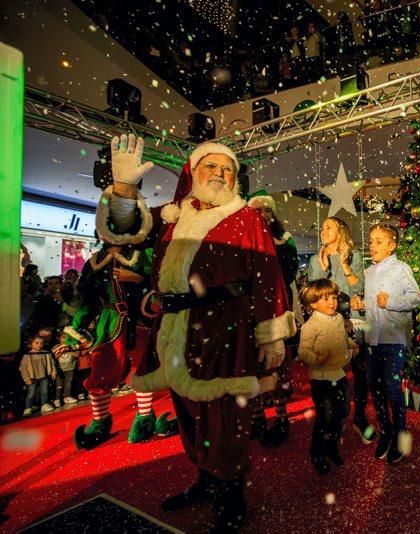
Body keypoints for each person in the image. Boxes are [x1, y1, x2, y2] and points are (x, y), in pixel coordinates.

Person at [98, 134, 295, 532]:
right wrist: (122, 189)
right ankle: (206, 480)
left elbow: (268, 276)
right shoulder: (173, 215)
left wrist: (272, 335)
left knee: (225, 418)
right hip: (174, 330)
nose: (221, 174)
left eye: (228, 169)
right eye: (212, 166)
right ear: (193, 172)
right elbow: (121, 230)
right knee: (188, 413)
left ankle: (231, 494)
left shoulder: (247, 218)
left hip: (225, 329)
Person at [69, 241, 177, 449]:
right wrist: (77, 329)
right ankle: (100, 422)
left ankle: (145, 418)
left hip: (140, 318)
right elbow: (87, 299)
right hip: (110, 322)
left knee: (142, 370)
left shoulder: (143, 254)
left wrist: (139, 280)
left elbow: (161, 283)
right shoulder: (96, 261)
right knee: (101, 370)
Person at [350, 224, 420, 463]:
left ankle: (401, 434)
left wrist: (391, 301)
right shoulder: (369, 273)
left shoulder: (401, 268)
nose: (373, 245)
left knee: (392, 389)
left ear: (392, 245)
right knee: (375, 387)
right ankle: (386, 430)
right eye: (371, 240)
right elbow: (371, 307)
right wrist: (361, 305)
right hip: (373, 340)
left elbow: (415, 297)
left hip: (393, 340)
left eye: (379, 241)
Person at [307, 217, 373, 444]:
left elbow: (359, 287)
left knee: (360, 370)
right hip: (328, 323)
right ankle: (334, 417)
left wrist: (344, 265)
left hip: (353, 320)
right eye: (322, 227)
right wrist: (323, 271)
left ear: (340, 232)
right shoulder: (317, 260)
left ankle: (360, 416)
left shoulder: (352, 257)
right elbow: (312, 295)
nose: (323, 231)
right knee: (330, 370)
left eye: (329, 227)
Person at [247, 191, 302, 447]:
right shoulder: (242, 240)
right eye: (256, 211)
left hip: (278, 305)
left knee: (280, 363)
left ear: (272, 213)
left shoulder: (284, 242)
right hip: (250, 309)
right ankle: (257, 417)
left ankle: (281, 417)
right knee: (254, 364)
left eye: (266, 210)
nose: (261, 215)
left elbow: (287, 275)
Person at [297, 279, 358, 475]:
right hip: (321, 378)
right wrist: (317, 358)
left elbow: (341, 337)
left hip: (339, 374)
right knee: (325, 416)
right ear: (313, 304)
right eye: (326, 299)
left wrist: (351, 344)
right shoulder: (311, 326)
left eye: (333, 297)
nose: (332, 302)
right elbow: (303, 351)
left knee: (341, 411)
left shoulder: (338, 318)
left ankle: (331, 446)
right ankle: (318, 453)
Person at [20, 335, 56, 416]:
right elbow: (23, 368)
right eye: (36, 343)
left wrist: (53, 371)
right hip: (33, 378)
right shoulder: (27, 356)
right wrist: (26, 378)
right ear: (30, 344)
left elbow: (51, 362)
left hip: (44, 377)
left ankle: (44, 404)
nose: (39, 345)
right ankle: (28, 407)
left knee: (45, 391)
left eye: (41, 343)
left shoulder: (45, 353)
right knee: (31, 393)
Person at [51, 328, 81, 406]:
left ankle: (67, 396)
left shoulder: (72, 345)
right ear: (59, 338)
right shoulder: (56, 347)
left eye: (67, 337)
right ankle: (57, 399)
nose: (66, 339)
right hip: (60, 369)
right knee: (59, 384)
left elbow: (77, 354)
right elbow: (54, 357)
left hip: (70, 368)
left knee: (69, 382)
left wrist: (69, 351)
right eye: (63, 337)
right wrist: (61, 351)